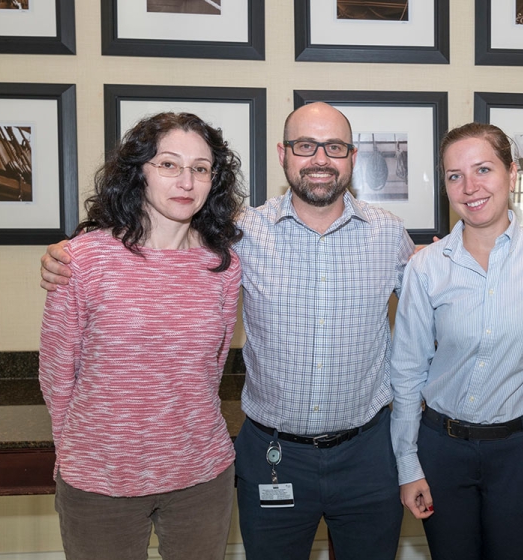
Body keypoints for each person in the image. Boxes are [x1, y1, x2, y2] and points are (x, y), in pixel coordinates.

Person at [41, 102, 414, 560]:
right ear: (283, 154)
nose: (320, 158)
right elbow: (58, 371)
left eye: (334, 147)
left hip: (364, 453)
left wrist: (453, 258)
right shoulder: (241, 235)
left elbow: (430, 305)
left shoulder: (387, 235)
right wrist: (65, 254)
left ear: (352, 157)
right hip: (272, 453)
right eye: (305, 145)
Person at [38, 112, 244, 560]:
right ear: (139, 173)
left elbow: (211, 369)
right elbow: (57, 373)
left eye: (201, 168)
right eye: (168, 164)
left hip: (201, 475)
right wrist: (74, 453)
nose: (186, 181)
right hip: (100, 479)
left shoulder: (223, 266)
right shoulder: (82, 259)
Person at [390, 122, 523, 560]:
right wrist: (408, 465)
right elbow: (407, 373)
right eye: (455, 176)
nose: (470, 187)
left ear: (512, 173)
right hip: (443, 451)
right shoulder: (426, 267)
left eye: (483, 169)